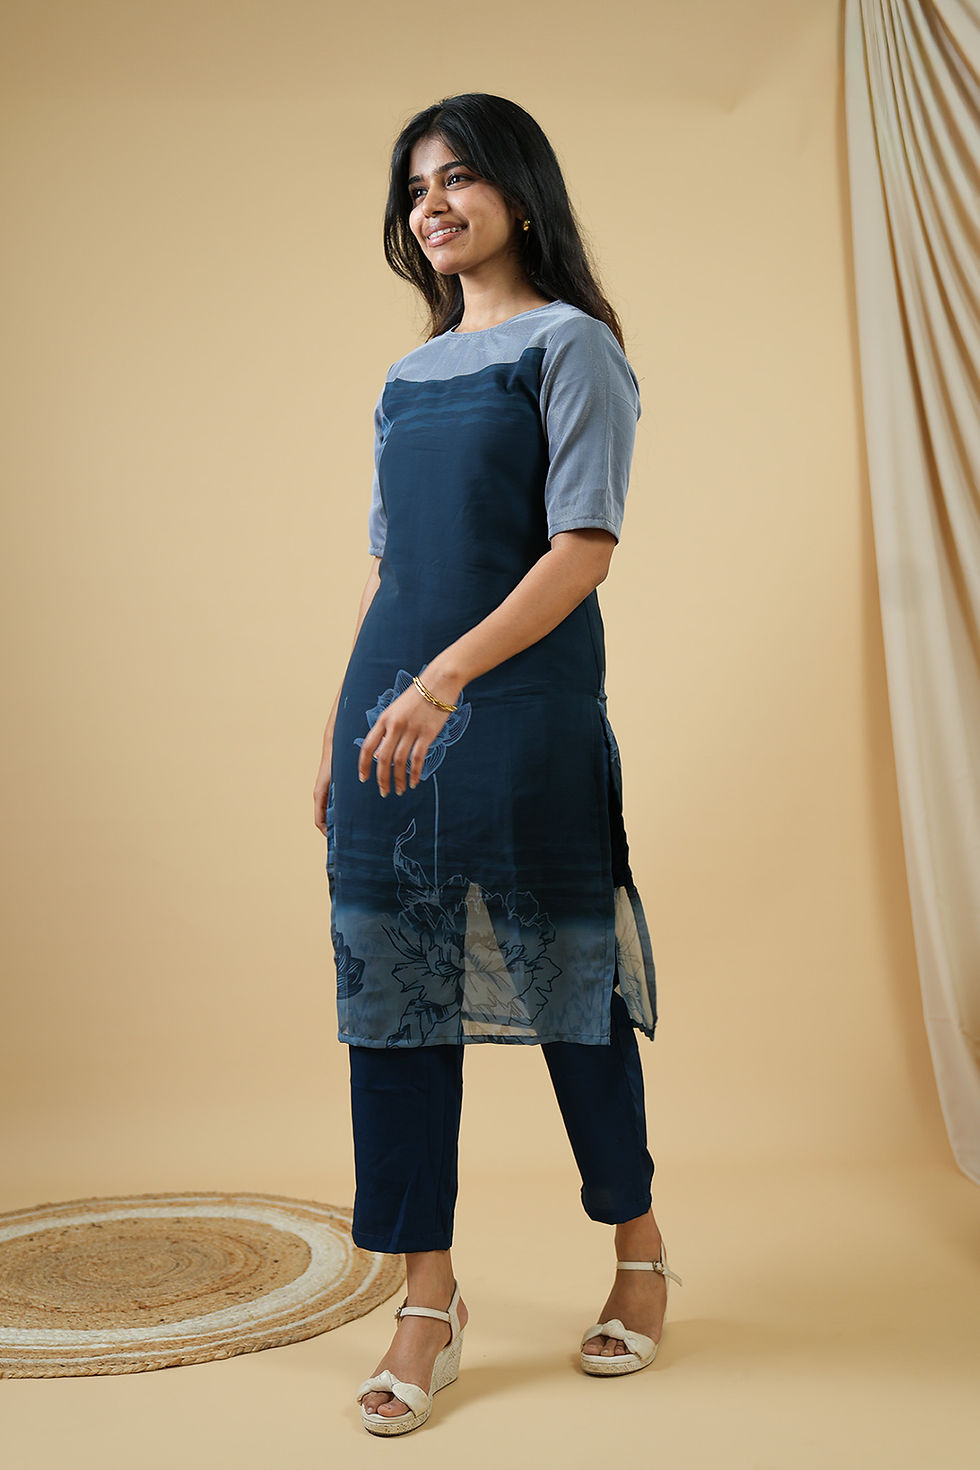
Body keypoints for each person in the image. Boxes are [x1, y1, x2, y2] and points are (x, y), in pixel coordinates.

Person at [313, 93, 682, 1437]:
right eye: (418, 187)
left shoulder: (574, 350)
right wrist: (337, 731)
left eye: (461, 175)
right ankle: (429, 1299)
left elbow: (579, 549)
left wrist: (445, 680)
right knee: (391, 1007)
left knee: (569, 987)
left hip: (519, 720)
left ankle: (639, 1257)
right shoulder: (405, 380)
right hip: (391, 725)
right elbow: (387, 572)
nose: (436, 202)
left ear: (519, 192)